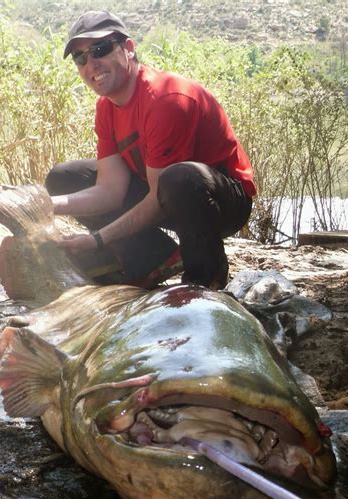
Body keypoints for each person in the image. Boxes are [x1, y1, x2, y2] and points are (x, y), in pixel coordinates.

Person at [47, 10, 256, 289]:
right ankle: (154, 257)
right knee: (64, 179)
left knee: (179, 178)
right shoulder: (106, 108)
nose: (91, 64)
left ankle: (205, 280)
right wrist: (46, 205)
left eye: (100, 49)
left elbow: (159, 200)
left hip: (220, 200)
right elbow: (110, 191)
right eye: (81, 58)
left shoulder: (166, 99)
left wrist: (97, 239)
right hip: (161, 190)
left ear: (129, 49)